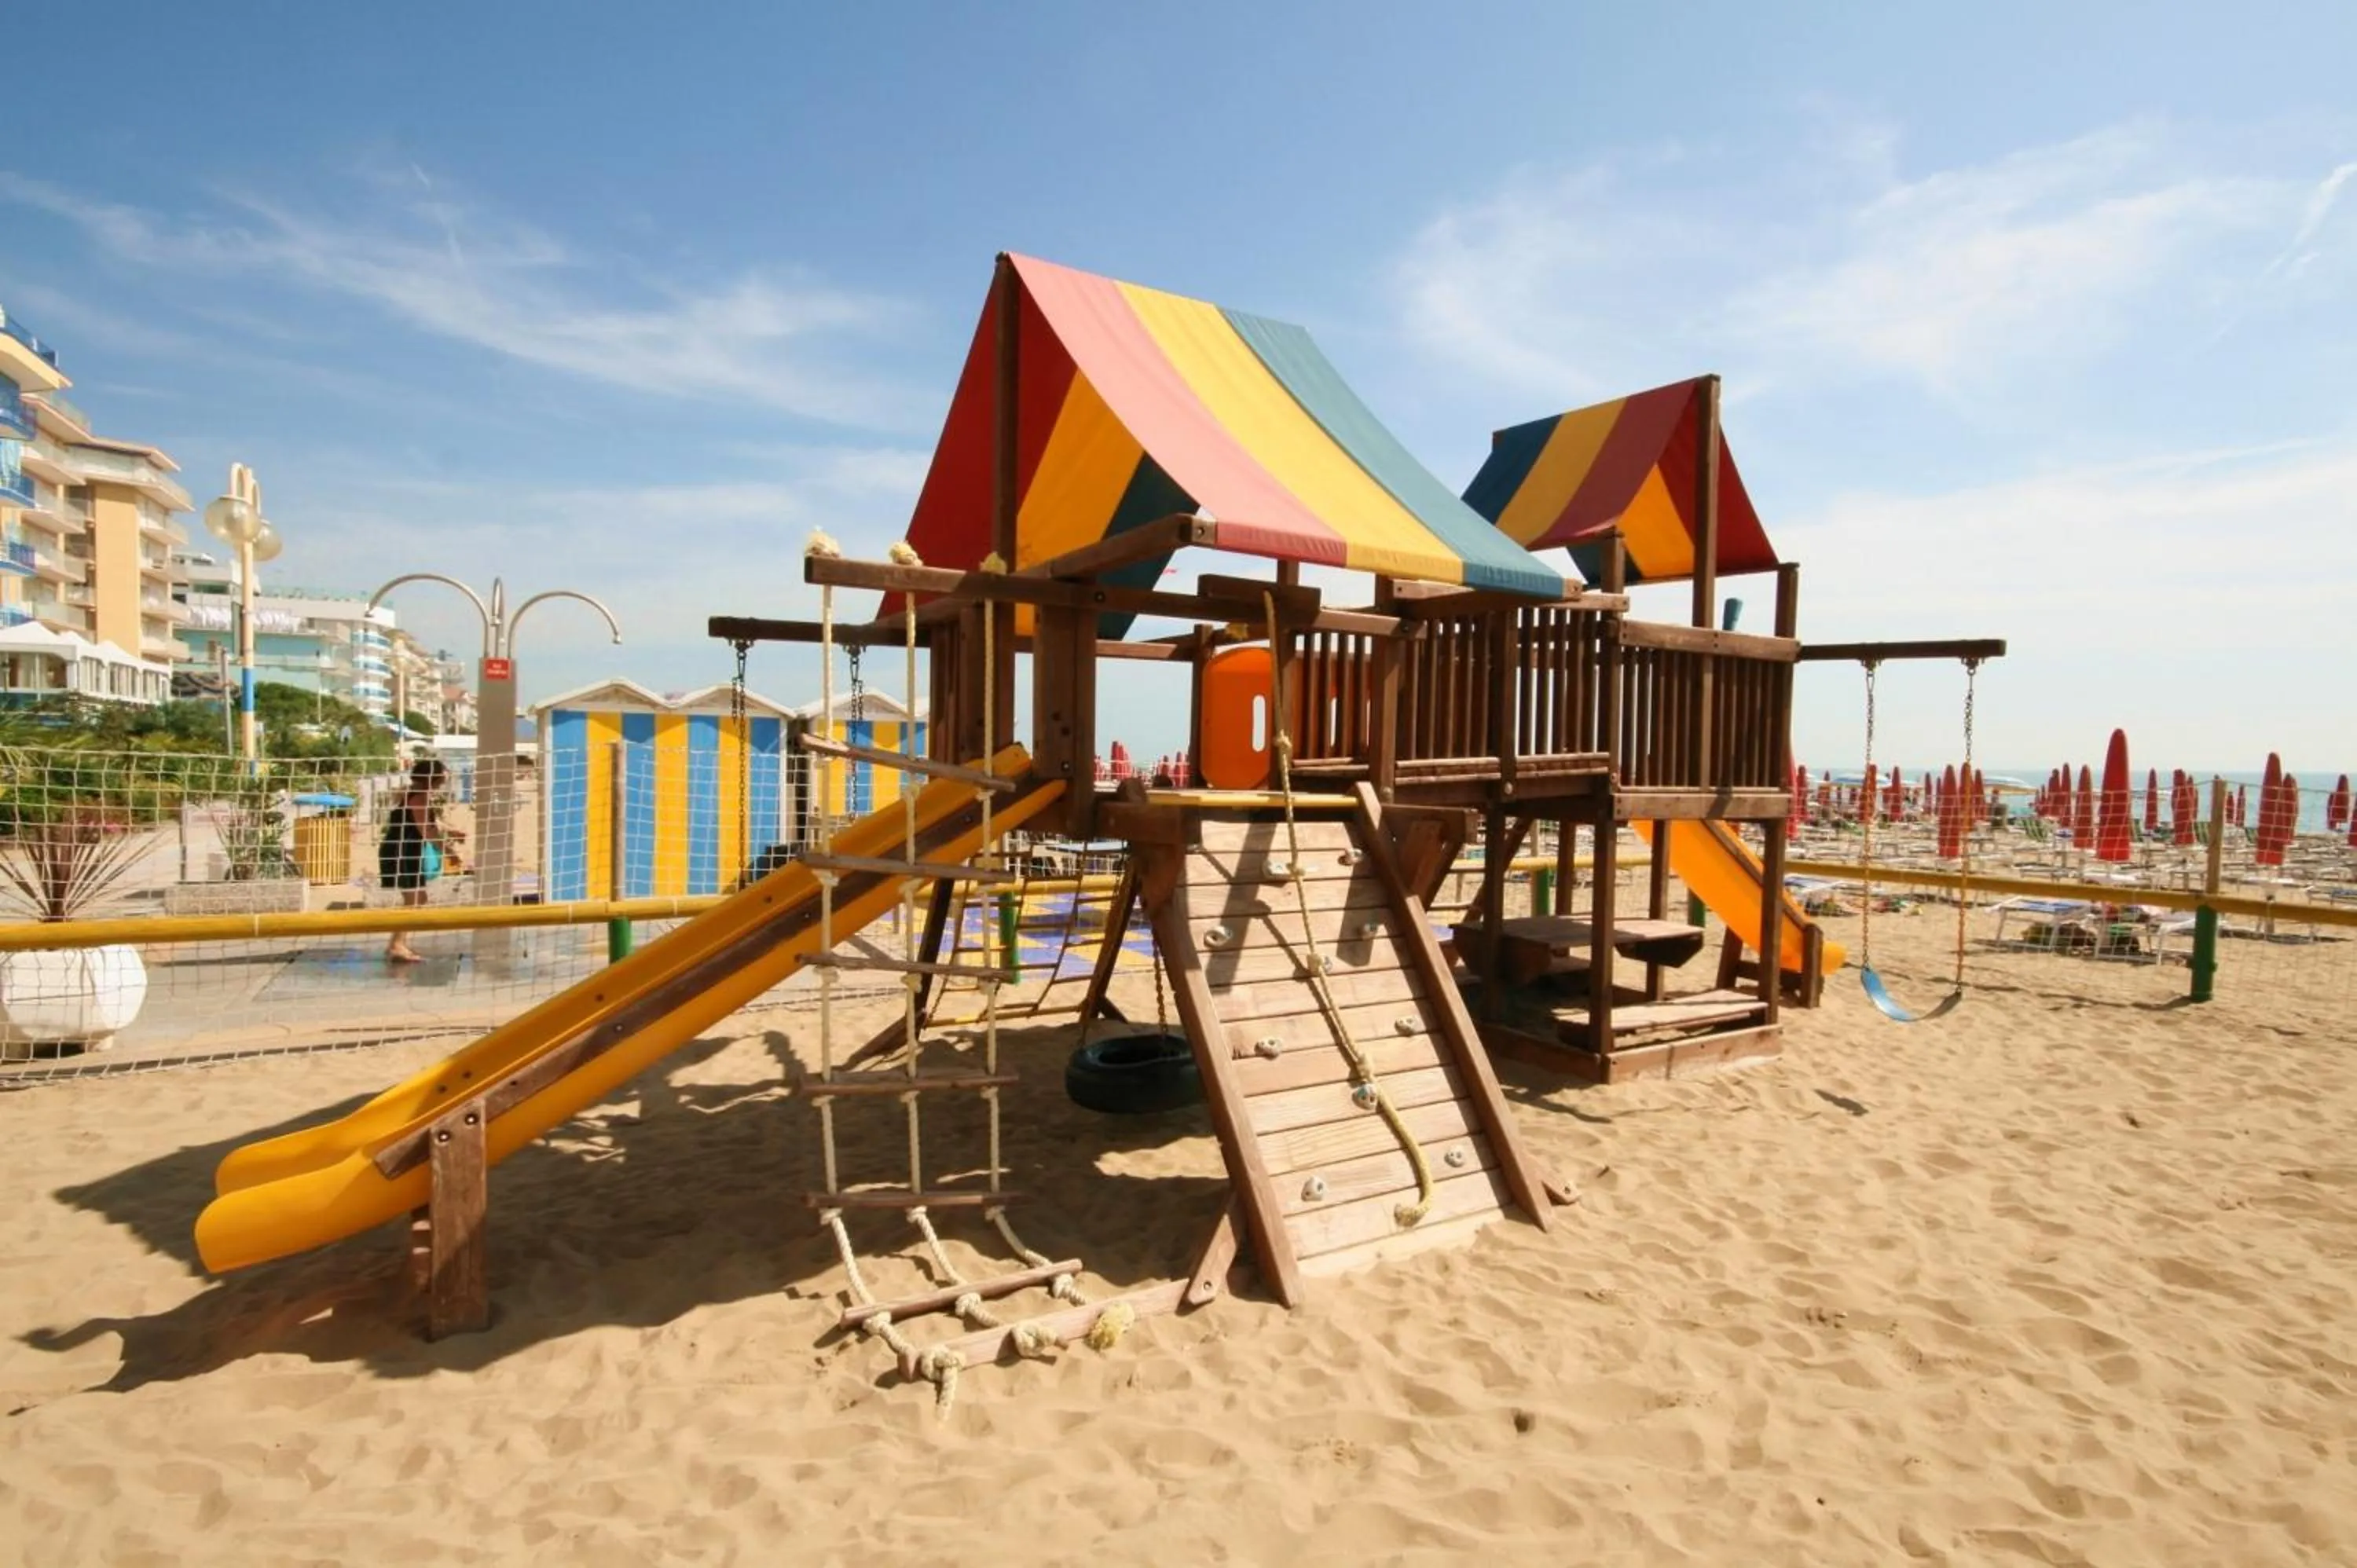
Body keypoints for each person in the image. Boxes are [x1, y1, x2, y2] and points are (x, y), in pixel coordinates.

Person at [379, 757, 462, 964]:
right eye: (442, 777)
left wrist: (452, 831)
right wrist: (449, 851)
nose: (444, 781)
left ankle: (396, 942)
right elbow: (428, 830)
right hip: (402, 849)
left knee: (418, 898)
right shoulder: (419, 797)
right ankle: (396, 945)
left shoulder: (416, 795)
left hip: (406, 848)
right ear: (432, 778)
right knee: (414, 899)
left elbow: (429, 821)